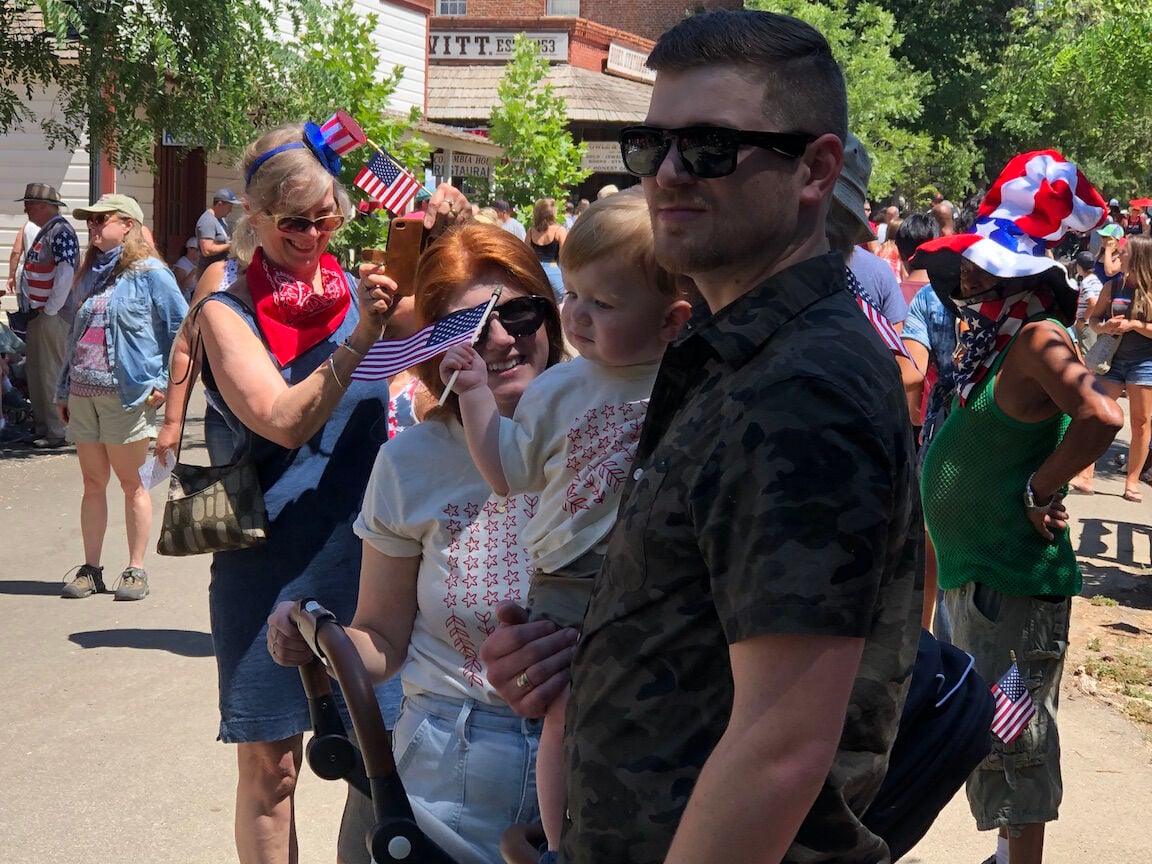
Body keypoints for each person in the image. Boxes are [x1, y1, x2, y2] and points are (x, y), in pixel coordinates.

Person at [484, 10, 923, 863]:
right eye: (653, 148)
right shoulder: (727, 354)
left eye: (713, 147)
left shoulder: (805, 385)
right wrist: (585, 656)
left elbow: (781, 744)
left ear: (815, 170)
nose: (672, 175)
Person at [191, 119, 469, 864]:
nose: (312, 236)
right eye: (292, 223)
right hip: (264, 562)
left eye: (326, 219)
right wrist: (361, 335)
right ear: (253, 219)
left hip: (365, 560)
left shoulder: (361, 290)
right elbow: (283, 420)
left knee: (380, 765)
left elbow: (454, 322)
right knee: (271, 770)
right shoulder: (227, 308)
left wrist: (442, 235)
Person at [267, 222, 569, 863]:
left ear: (552, 314)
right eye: (469, 326)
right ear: (437, 347)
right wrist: (316, 635)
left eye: (518, 312)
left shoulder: (620, 431)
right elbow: (381, 635)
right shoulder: (410, 463)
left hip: (599, 760)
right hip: (445, 778)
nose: (500, 338)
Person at [439, 190, 692, 862]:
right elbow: (504, 472)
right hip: (567, 574)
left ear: (673, 319)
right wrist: (472, 399)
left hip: (655, 575)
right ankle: (561, 842)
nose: (575, 315)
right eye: (571, 293)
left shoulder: (690, 384)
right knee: (559, 707)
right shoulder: (560, 389)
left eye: (601, 304)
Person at [916, 150, 1124, 864]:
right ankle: (1008, 854)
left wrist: (1044, 486)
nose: (969, 275)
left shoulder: (1038, 337)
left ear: (1029, 275)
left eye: (985, 265)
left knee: (1014, 730)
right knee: (991, 729)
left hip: (1012, 580)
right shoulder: (1004, 341)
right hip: (981, 578)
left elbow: (1101, 415)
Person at [54, 194, 187, 600]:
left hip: (127, 396)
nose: (93, 226)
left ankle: (135, 570)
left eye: (102, 219)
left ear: (127, 224)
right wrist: (63, 388)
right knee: (93, 483)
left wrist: (164, 384)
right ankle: (91, 569)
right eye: (90, 221)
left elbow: (181, 330)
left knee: (133, 484)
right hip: (83, 394)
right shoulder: (92, 273)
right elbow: (76, 338)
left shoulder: (151, 274)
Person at [11, 182, 80, 448]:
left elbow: (65, 273)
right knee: (38, 371)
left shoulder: (60, 231)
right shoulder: (48, 231)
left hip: (52, 314)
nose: (26, 209)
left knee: (51, 370)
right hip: (40, 314)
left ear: (42, 206)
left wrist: (51, 309)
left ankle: (57, 430)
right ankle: (44, 427)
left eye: (29, 204)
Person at [1088, 234, 1152, 502]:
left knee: (1140, 423)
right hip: (1110, 362)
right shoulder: (1113, 286)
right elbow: (1092, 319)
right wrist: (1104, 327)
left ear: (1137, 257)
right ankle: (1084, 473)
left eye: (1123, 253)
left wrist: (1135, 325)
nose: (1117, 257)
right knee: (1096, 417)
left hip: (1144, 363)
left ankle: (1132, 481)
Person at [525, 197, 568, 301]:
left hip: (536, 272)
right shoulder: (559, 230)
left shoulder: (531, 231)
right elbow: (566, 257)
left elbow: (525, 252)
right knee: (557, 307)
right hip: (554, 272)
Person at [196, 187, 239, 273]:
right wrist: (230, 245)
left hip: (221, 269)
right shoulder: (207, 221)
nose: (230, 211)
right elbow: (207, 250)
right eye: (229, 207)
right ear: (219, 204)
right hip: (209, 271)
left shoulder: (220, 219)